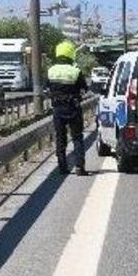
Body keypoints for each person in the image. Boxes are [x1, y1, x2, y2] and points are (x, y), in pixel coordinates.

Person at [47, 40, 88, 175]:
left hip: (58, 109)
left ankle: (62, 167)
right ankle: (79, 167)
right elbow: (84, 89)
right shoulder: (76, 71)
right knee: (77, 137)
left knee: (60, 137)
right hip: (73, 108)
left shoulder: (51, 71)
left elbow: (47, 88)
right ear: (71, 54)